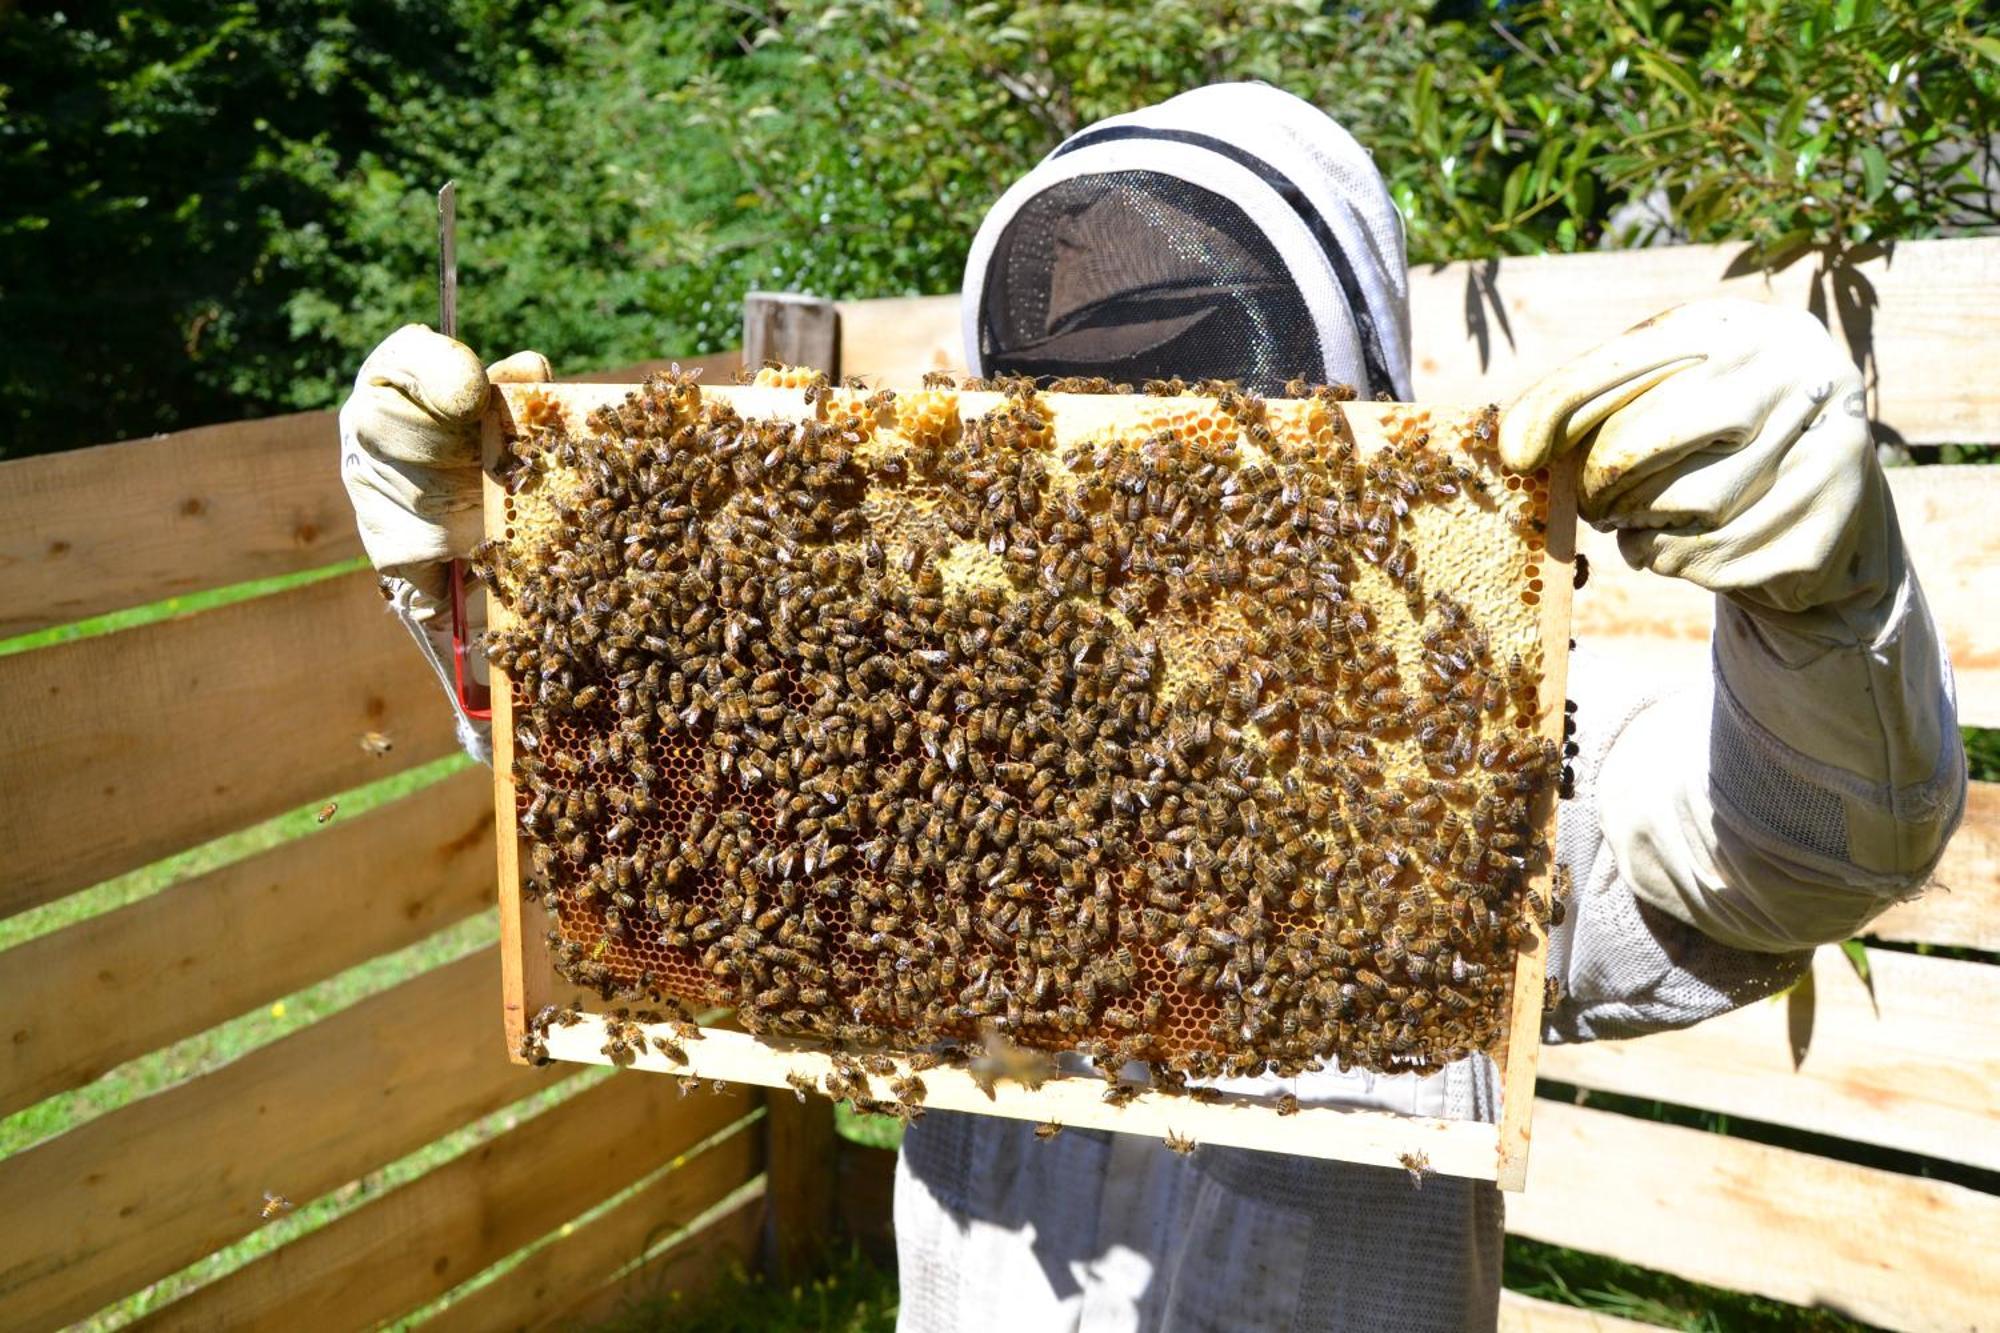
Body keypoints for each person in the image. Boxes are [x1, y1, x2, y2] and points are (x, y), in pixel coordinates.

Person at [341, 83, 1964, 1333]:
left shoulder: (1458, 753)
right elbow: (663, 809)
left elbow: (1793, 850)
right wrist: (480, 581)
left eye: (1203, 387)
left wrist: (1828, 608)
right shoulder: (942, 710)